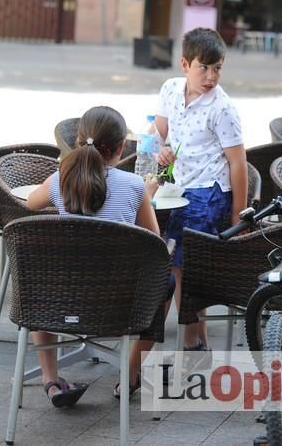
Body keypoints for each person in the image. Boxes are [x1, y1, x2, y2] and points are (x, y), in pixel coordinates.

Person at [26, 106, 173, 404]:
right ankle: (129, 376)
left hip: (59, 299)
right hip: (119, 304)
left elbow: (30, 203)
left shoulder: (59, 180)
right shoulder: (134, 186)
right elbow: (154, 240)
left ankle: (51, 379)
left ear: (79, 141)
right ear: (121, 147)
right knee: (166, 283)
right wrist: (148, 194)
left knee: (38, 276)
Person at [155, 27, 248, 359]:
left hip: (208, 193)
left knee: (181, 266)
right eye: (204, 68)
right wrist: (159, 151)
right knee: (176, 264)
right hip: (173, 190)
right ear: (184, 64)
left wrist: (239, 214)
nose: (211, 76)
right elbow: (156, 133)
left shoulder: (222, 109)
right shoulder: (169, 90)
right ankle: (196, 341)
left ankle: (191, 342)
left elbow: (239, 164)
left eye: (218, 68)